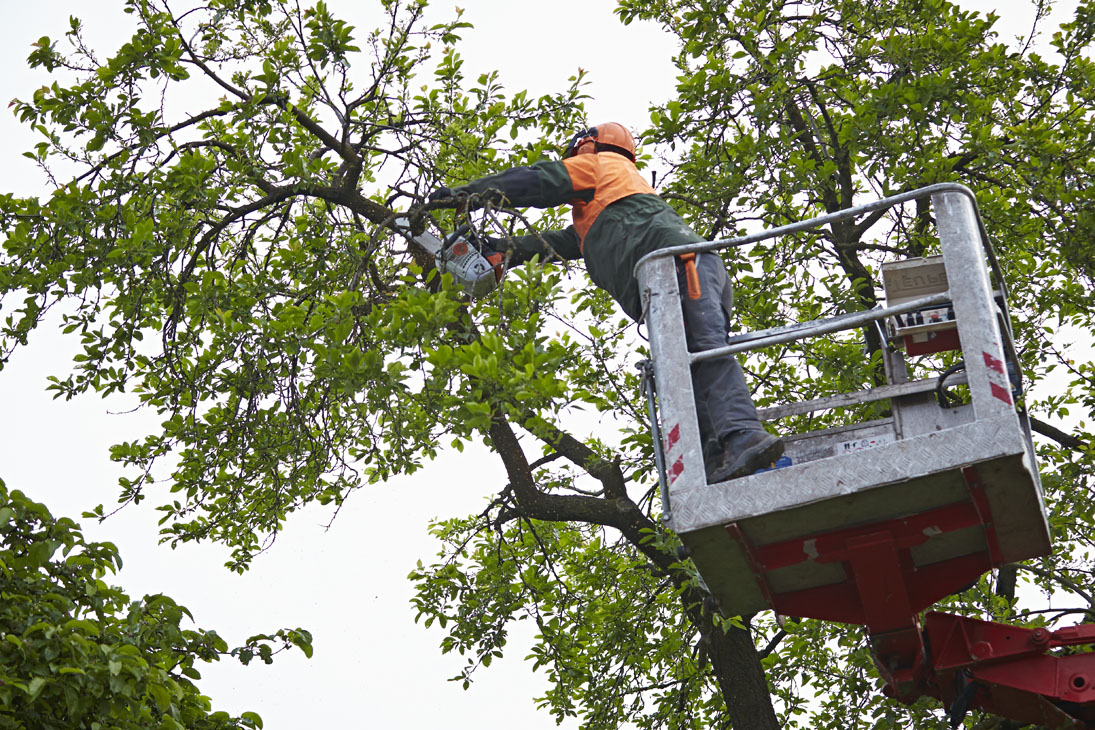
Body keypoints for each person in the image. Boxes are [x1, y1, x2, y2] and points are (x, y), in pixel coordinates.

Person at [429, 122, 783, 482]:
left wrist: (466, 193)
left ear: (589, 144)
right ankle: (719, 460)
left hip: (679, 266)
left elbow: (537, 181)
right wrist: (501, 249)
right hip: (676, 273)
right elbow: (560, 244)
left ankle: (743, 435)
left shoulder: (604, 166)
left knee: (704, 352)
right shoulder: (604, 205)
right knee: (685, 367)